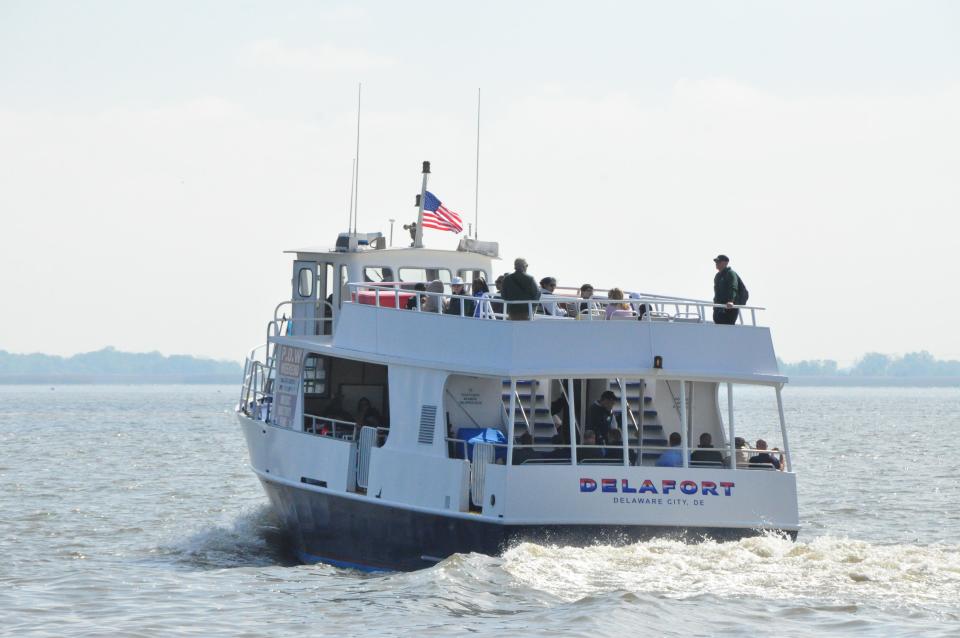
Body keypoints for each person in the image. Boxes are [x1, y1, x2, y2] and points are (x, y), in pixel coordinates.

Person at [713, 254, 741, 325]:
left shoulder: (731, 273)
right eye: (716, 262)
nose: (716, 263)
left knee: (727, 325)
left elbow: (733, 287)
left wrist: (731, 301)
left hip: (729, 308)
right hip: (719, 307)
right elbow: (716, 292)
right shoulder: (717, 276)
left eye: (718, 262)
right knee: (718, 324)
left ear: (725, 263)